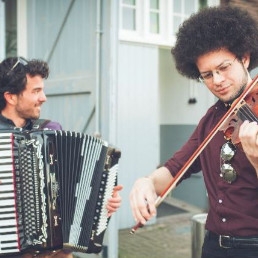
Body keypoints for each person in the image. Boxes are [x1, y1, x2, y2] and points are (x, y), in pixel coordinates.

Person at [129, 5, 258, 258]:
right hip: (212, 247)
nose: (217, 81)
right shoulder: (211, 119)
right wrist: (147, 182)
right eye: (207, 75)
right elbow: (176, 168)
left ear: (244, 58)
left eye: (224, 67)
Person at [0, 57, 122, 258]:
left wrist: (102, 203)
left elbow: (73, 196)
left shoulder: (50, 132)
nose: (44, 97)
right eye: (36, 91)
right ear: (11, 97)